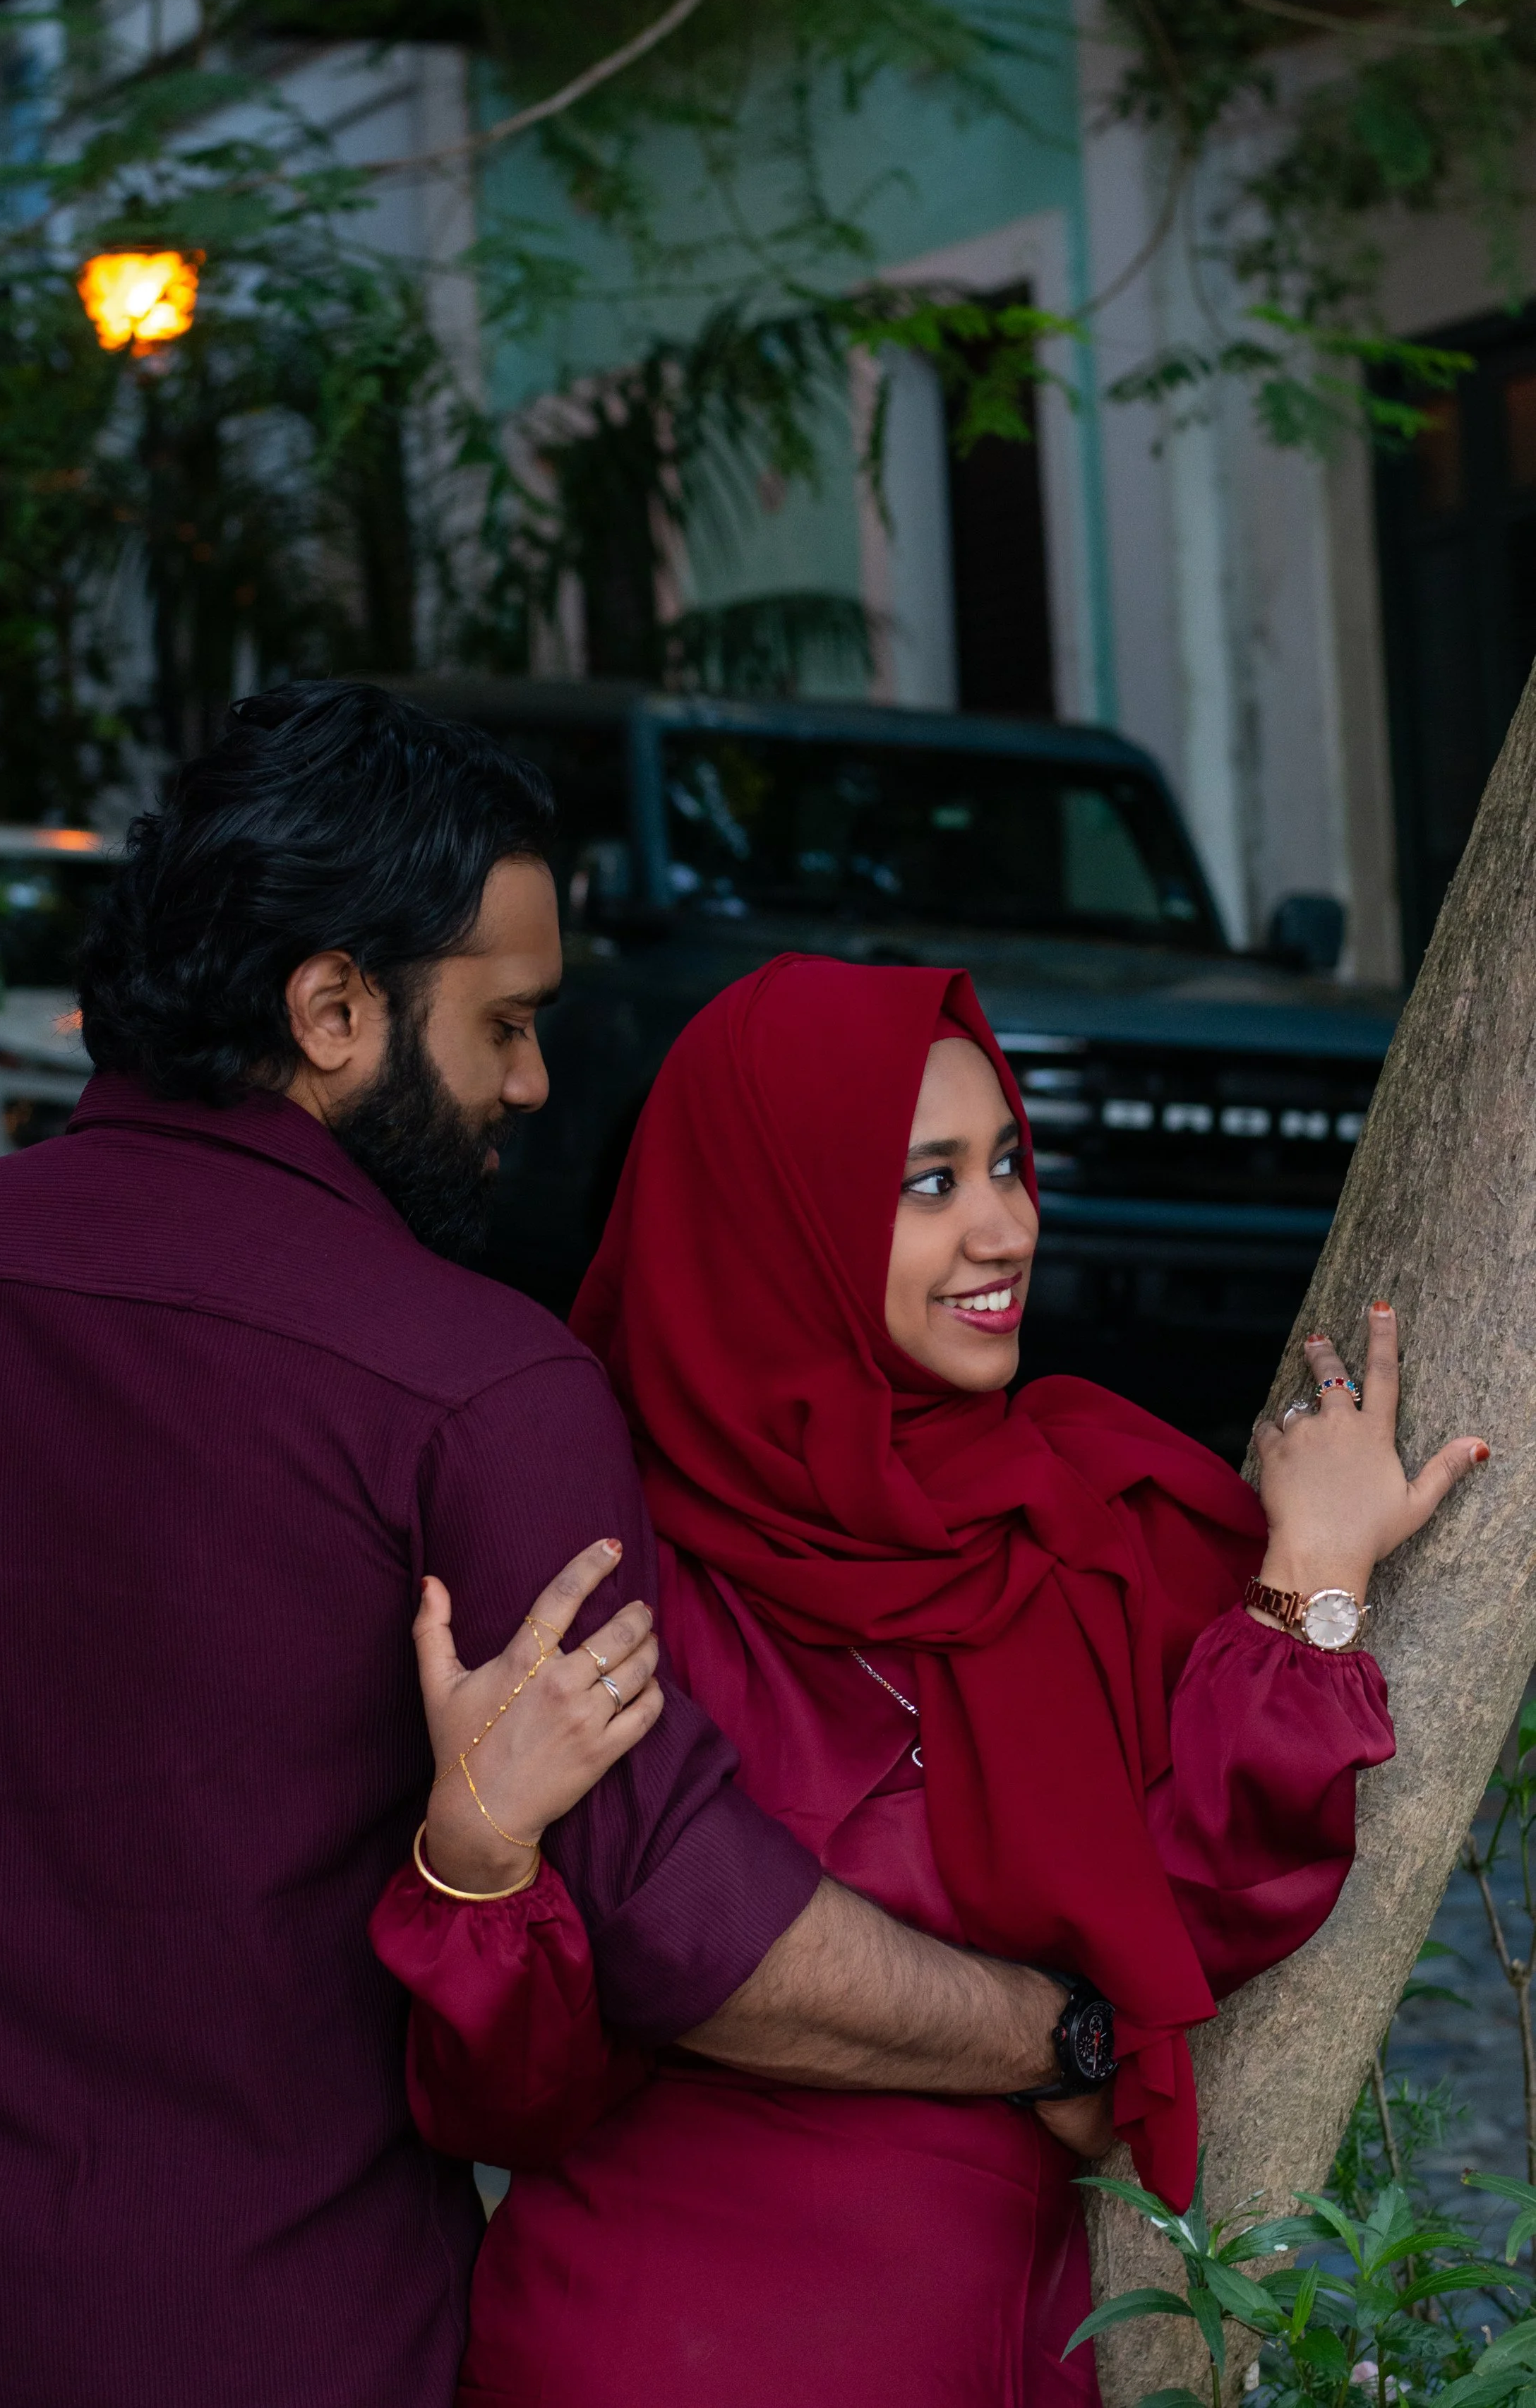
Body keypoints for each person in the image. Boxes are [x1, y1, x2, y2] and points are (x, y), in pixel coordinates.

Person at [0, 687, 1112, 2408]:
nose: (535, 1081)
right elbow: (671, 1920)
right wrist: (1055, 2032)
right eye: (504, 1025)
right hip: (282, 2343)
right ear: (334, 1009)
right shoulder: (475, 1387)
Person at [372, 954, 1487, 2408]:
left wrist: (1308, 1584)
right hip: (651, 2352)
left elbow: (1206, 1914)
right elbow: (509, 2105)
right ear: (775, 1216)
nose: (1003, 1228)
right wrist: (474, 1859)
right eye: (926, 1185)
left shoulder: (1091, 1504)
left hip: (990, 2349)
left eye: (1007, 1164)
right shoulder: (623, 1570)